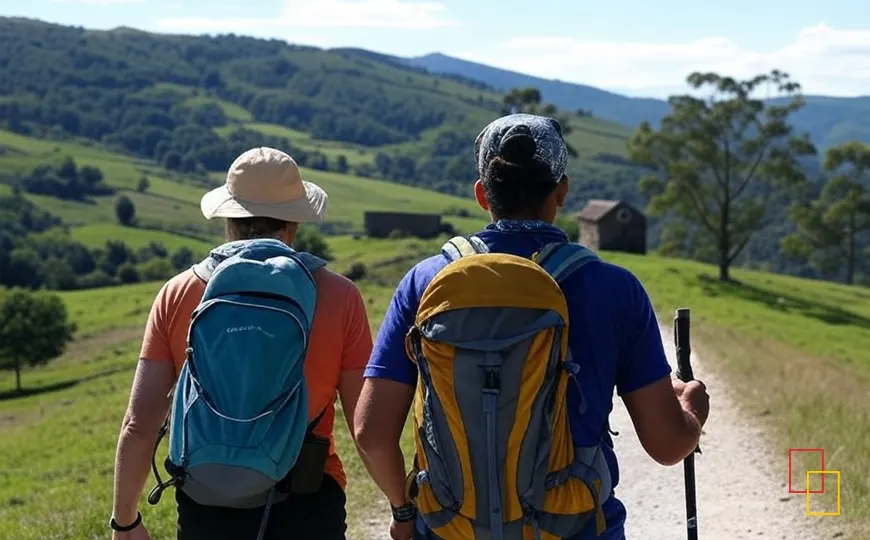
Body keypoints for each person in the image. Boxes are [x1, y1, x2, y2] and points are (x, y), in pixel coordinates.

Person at [353, 113, 710, 540]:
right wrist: (692, 410)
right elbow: (668, 446)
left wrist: (404, 514)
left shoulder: (426, 282)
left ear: (482, 194)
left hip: (450, 529)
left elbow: (370, 433)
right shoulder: (614, 289)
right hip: (576, 528)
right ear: (562, 189)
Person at [109, 147, 373, 540]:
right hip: (307, 493)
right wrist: (400, 505)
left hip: (208, 496)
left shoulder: (179, 293)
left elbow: (139, 424)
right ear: (294, 222)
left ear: (229, 218)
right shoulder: (338, 295)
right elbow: (365, 425)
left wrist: (125, 520)